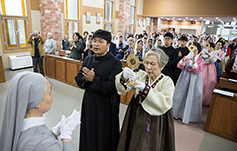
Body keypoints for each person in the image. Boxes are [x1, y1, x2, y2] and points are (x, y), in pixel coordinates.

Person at [0, 71, 80, 151]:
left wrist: (53, 132)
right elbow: (41, 144)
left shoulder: (15, 126)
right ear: (37, 102)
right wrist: (66, 138)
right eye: (49, 93)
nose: (51, 96)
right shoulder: (47, 145)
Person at [115, 48, 175, 151]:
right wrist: (123, 76)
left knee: (150, 143)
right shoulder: (141, 75)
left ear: (162, 66)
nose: (148, 67)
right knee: (134, 139)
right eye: (146, 63)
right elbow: (124, 87)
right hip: (136, 114)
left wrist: (145, 89)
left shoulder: (167, 82)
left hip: (155, 119)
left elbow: (164, 102)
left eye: (152, 64)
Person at [75, 29, 122, 151]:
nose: (96, 44)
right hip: (89, 102)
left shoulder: (115, 63)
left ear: (108, 45)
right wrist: (85, 80)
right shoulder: (88, 60)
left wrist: (93, 79)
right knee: (89, 131)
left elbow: (111, 87)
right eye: (94, 41)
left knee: (103, 136)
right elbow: (78, 78)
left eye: (100, 41)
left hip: (105, 106)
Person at [172, 42, 204, 124]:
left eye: (195, 50)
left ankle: (188, 116)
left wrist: (194, 62)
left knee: (191, 96)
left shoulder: (201, 60)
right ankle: (177, 113)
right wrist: (184, 60)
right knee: (180, 95)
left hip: (194, 78)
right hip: (184, 77)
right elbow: (179, 66)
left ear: (199, 51)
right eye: (192, 49)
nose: (193, 52)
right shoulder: (186, 57)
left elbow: (197, 71)